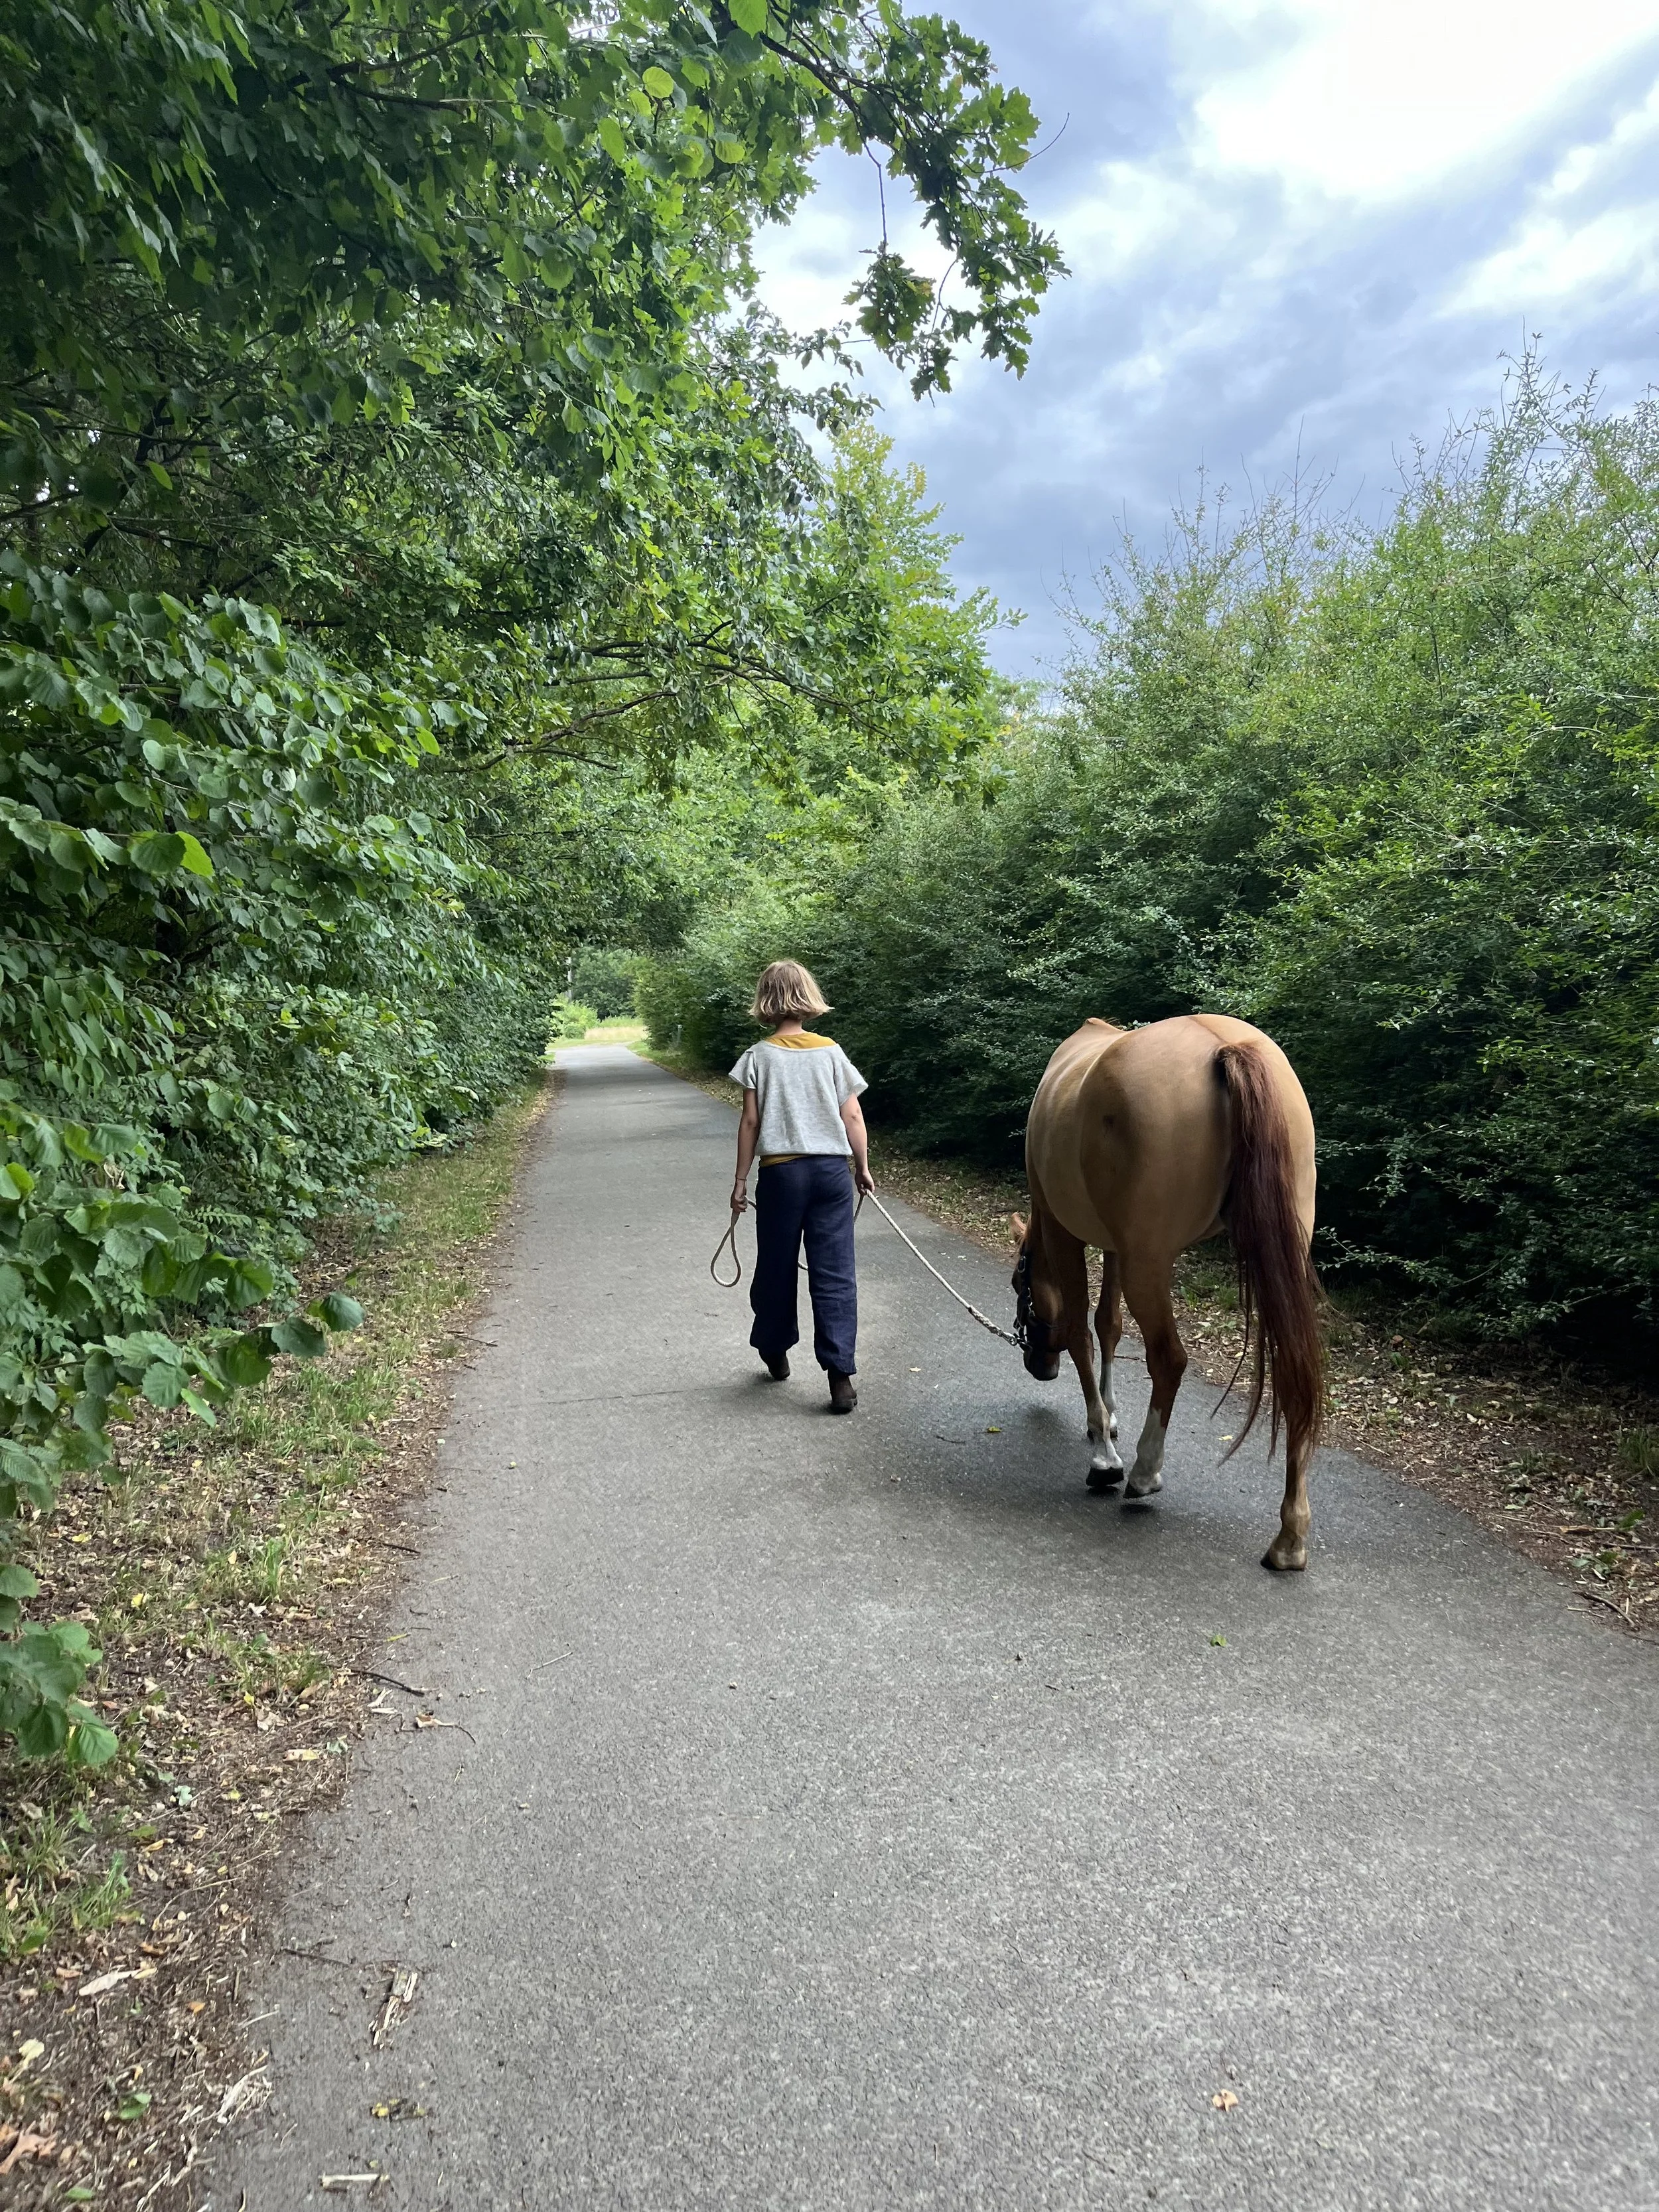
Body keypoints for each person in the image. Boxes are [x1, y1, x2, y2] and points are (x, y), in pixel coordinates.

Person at [729, 960, 874, 1413]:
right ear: (807, 998)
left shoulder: (758, 1055)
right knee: (835, 1272)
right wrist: (862, 1166)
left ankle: (774, 1347)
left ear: (765, 1003)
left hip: (782, 1174)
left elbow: (751, 1121)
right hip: (831, 1173)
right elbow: (852, 1114)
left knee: (776, 1267)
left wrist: (739, 1181)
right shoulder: (832, 1052)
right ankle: (840, 1376)